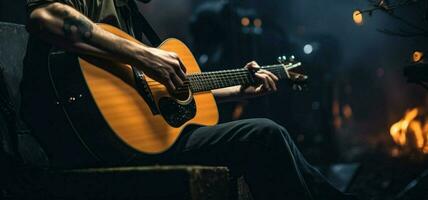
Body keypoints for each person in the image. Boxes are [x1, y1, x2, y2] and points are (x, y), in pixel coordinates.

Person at [22, 0, 356, 199]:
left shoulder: (126, 11)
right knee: (264, 135)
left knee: (267, 133)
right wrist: (144, 54)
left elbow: (152, 93)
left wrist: (238, 90)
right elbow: (42, 17)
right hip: (86, 139)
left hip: (135, 139)